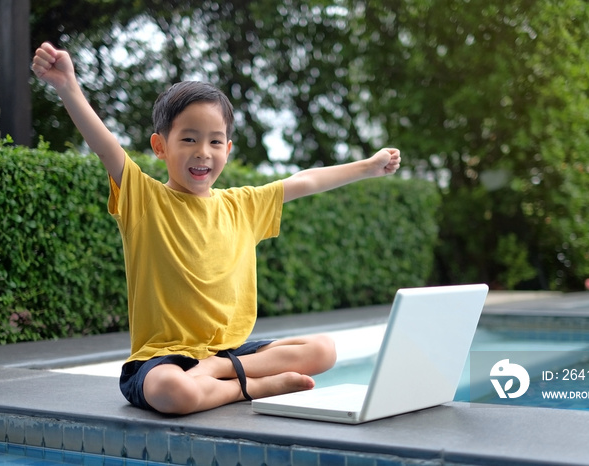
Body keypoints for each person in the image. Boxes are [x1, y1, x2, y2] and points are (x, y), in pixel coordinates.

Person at [32, 41, 401, 415]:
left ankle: (222, 373)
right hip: (163, 358)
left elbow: (304, 181)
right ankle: (251, 388)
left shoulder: (242, 205)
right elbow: (106, 147)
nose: (202, 152)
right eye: (188, 139)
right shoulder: (145, 199)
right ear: (160, 146)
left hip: (229, 353)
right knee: (174, 392)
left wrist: (368, 167)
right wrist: (67, 86)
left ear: (228, 149)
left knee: (324, 349)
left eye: (213, 142)